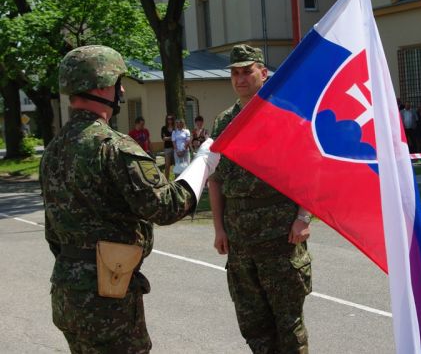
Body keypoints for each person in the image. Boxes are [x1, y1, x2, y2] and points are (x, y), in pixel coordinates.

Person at [41, 45, 220, 353]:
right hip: (107, 295)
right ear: (100, 85)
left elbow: (53, 232)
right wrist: (204, 161)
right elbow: (167, 206)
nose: (122, 90)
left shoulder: (54, 149)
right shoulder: (113, 147)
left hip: (67, 291)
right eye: (117, 81)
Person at [207, 44, 312, 353]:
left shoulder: (284, 115)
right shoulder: (224, 122)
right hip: (240, 241)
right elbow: (216, 179)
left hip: (280, 237)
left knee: (288, 326)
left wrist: (303, 216)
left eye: (247, 72)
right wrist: (219, 228)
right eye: (235, 73)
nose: (240, 79)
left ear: (263, 73)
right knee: (254, 327)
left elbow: (309, 169)